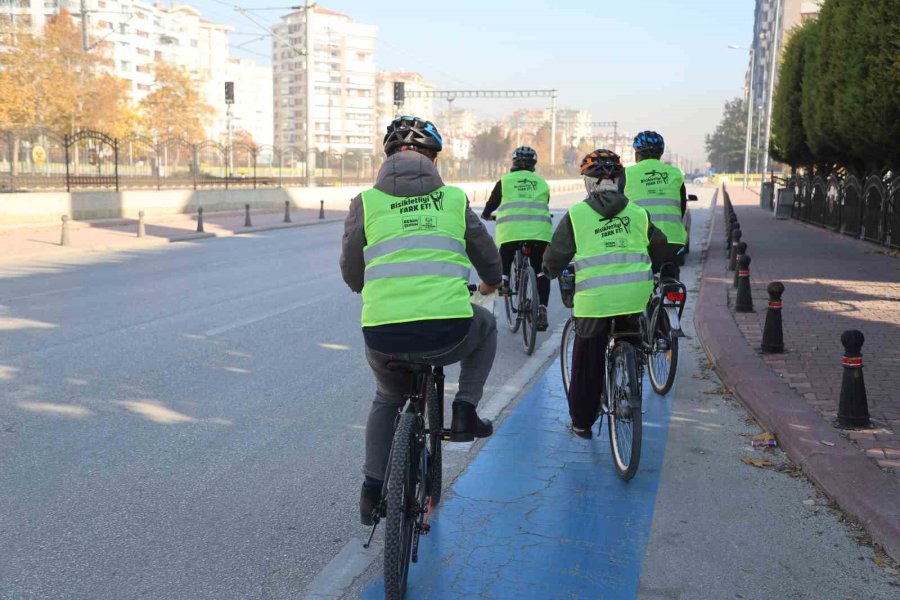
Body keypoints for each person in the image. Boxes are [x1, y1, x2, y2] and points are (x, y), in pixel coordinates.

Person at [340, 116, 502, 525]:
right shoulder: (453, 199)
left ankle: (371, 492)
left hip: (383, 336)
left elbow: (351, 272)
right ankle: (464, 410)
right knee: (485, 327)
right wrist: (490, 283)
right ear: (433, 159)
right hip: (448, 333)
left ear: (387, 158)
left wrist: (370, 284)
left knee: (387, 397)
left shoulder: (366, 202)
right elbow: (488, 260)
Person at [543, 150, 668, 438]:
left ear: (588, 182)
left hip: (594, 303)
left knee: (587, 361)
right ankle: (630, 382)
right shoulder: (638, 213)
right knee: (632, 337)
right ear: (619, 180)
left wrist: (549, 270)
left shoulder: (577, 214)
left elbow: (555, 258)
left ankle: (582, 423)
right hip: (635, 299)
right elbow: (660, 248)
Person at [481, 146, 553, 331]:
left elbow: (492, 203)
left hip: (512, 232)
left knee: (505, 253)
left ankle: (504, 281)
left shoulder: (505, 182)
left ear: (513, 163)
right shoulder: (542, 183)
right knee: (540, 270)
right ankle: (542, 308)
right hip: (539, 233)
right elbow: (544, 202)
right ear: (533, 165)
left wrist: (487, 214)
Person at [619, 130, 687, 273]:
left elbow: (619, 209)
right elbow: (681, 208)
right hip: (674, 242)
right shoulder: (676, 174)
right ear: (660, 154)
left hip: (639, 242)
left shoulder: (626, 174)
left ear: (637, 154)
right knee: (670, 272)